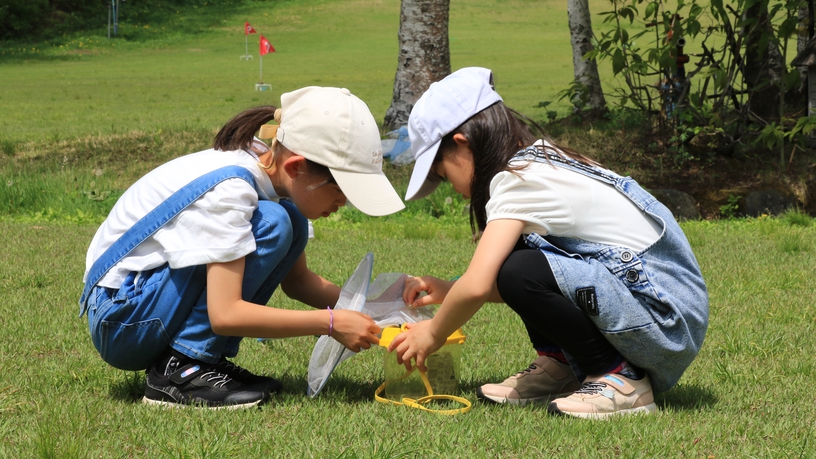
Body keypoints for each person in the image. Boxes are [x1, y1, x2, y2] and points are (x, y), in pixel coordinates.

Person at [388, 67, 708, 419]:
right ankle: (564, 365)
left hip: (664, 322)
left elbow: (484, 283)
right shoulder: (539, 160)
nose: (453, 187)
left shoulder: (519, 181)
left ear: (462, 144)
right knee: (518, 260)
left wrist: (432, 332)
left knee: (517, 266)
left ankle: (619, 376)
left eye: (443, 174)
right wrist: (450, 289)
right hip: (666, 313)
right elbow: (524, 281)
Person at [80, 87, 405, 409]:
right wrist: (331, 323)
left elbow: (299, 283)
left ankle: (198, 359)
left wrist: (378, 310)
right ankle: (180, 368)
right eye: (341, 189)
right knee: (275, 221)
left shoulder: (268, 170)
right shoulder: (232, 191)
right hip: (122, 321)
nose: (344, 202)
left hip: (141, 308)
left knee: (287, 219)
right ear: (296, 167)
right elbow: (225, 314)